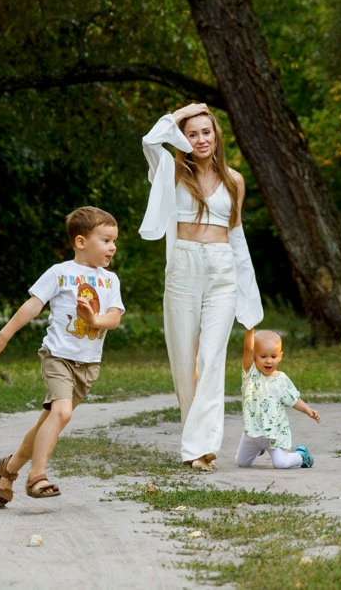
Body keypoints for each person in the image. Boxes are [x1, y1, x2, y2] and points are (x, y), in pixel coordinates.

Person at [140, 102, 264, 470]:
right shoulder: (171, 171)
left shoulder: (234, 180)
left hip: (222, 269)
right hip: (184, 265)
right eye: (192, 134)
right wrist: (187, 111)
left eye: (206, 132)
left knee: (212, 359)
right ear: (184, 138)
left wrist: (248, 295)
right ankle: (194, 440)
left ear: (217, 135)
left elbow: (237, 236)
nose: (200, 139)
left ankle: (201, 448)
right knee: (184, 359)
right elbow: (150, 141)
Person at [0, 206, 126, 505]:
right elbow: (33, 305)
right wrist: (3, 336)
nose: (112, 247)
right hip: (58, 357)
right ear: (81, 242)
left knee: (48, 421)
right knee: (62, 412)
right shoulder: (61, 273)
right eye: (105, 240)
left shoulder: (110, 281)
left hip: (89, 365)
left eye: (114, 241)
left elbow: (114, 317)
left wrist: (95, 321)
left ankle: (8, 469)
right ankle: (37, 476)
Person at [235, 328, 320, 469]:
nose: (269, 361)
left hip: (274, 435)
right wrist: (250, 328)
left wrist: (307, 410)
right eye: (263, 356)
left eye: (273, 357)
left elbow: (293, 399)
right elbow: (248, 349)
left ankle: (301, 455)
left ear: (280, 356)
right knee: (241, 463)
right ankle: (257, 448)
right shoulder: (251, 374)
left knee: (281, 464)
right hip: (252, 433)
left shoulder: (282, 380)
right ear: (254, 356)